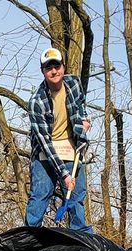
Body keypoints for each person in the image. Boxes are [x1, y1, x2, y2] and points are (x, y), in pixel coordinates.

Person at [25, 47, 92, 232]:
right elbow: (45, 144)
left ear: (63, 66)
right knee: (39, 196)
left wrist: (84, 120)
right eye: (48, 68)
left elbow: (81, 105)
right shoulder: (36, 102)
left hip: (71, 149)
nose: (54, 71)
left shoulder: (74, 83)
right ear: (43, 71)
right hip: (45, 152)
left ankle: (82, 239)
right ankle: (29, 238)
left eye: (57, 66)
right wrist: (64, 174)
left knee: (76, 199)